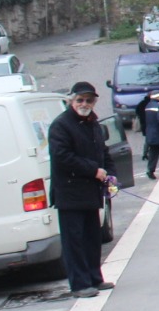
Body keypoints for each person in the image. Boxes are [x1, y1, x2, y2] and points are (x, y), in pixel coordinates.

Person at [48, 81, 116, 297]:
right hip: (69, 193)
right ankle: (79, 284)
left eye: (88, 100)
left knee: (92, 238)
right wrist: (93, 170)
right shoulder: (61, 125)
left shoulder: (93, 124)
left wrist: (110, 176)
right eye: (80, 100)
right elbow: (62, 157)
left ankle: (95, 278)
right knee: (74, 241)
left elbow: (103, 152)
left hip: (91, 192)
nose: (84, 103)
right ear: (71, 101)